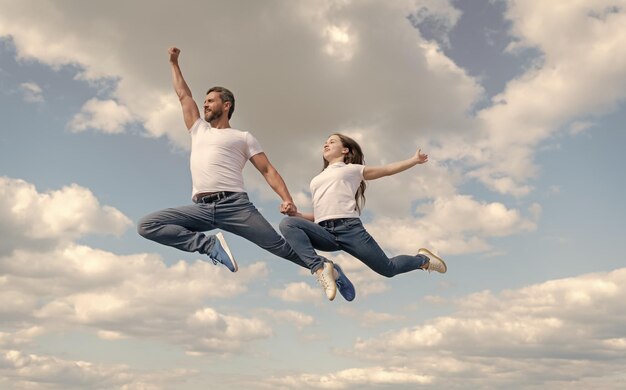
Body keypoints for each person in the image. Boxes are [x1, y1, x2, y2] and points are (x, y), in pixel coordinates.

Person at [137, 47, 355, 301]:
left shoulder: (243, 137)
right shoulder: (198, 130)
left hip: (235, 206)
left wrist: (287, 199)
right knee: (148, 225)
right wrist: (174, 63)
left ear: (226, 105)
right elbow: (184, 96)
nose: (205, 104)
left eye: (210, 100)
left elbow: (267, 169)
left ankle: (328, 270)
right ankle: (208, 245)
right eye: (204, 101)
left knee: (279, 247)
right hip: (201, 208)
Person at [279, 133, 447, 300]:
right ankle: (322, 269)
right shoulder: (316, 179)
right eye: (325, 142)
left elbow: (386, 170)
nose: (326, 144)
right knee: (288, 224)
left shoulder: (352, 170)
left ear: (345, 150)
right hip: (325, 232)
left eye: (332, 142)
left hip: (350, 230)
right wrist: (297, 215)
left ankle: (423, 260)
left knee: (388, 269)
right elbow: (322, 214)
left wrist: (413, 160)